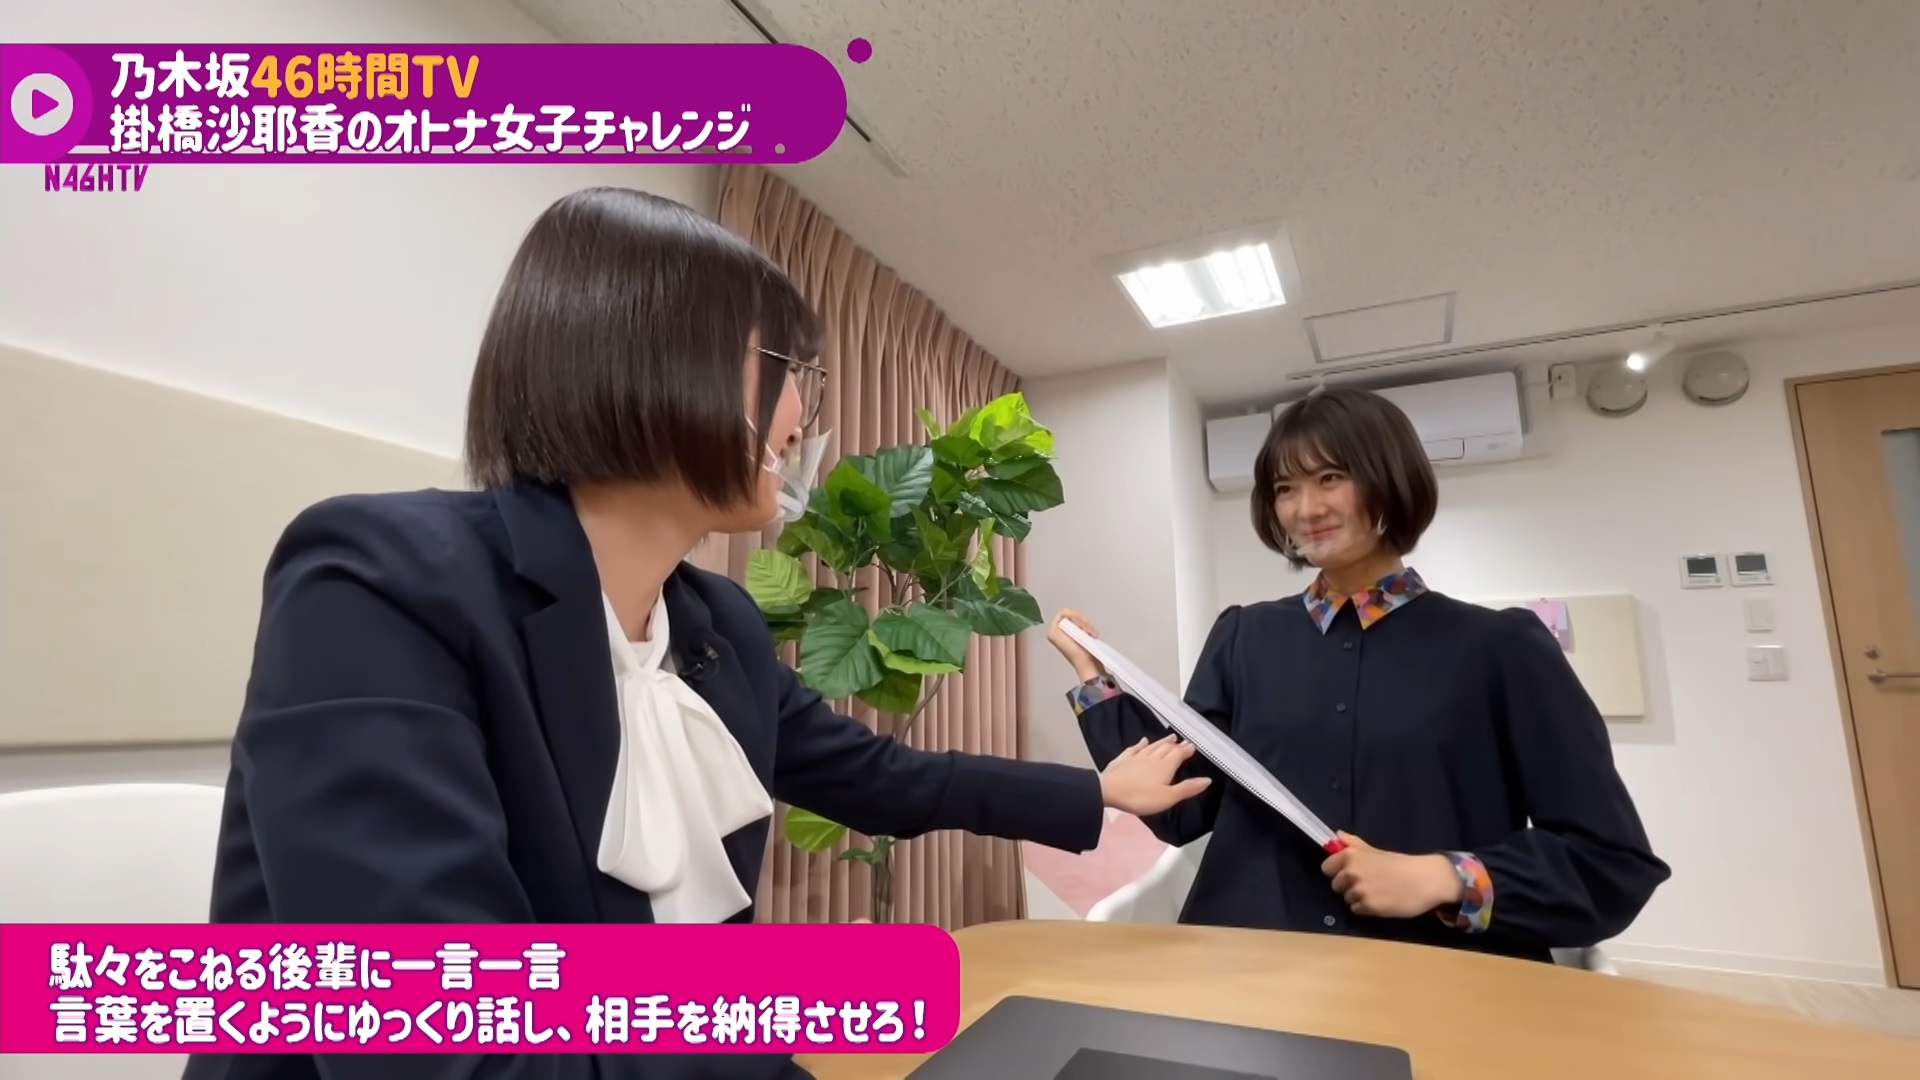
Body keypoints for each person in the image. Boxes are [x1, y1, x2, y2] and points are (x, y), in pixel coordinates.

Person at [186, 187, 1210, 1080]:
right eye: (788, 368)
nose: (802, 417)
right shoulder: (378, 581)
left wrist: (1096, 795)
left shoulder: (717, 625)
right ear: (648, 357)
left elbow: (879, 777)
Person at [1049, 386, 1669, 965]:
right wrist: (1095, 682)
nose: (1306, 508)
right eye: (1285, 488)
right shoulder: (1244, 636)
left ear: (1389, 478)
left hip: (1432, 977)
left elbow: (1609, 864)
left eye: (1331, 478)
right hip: (1246, 968)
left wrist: (1443, 877)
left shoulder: (1501, 647)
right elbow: (1182, 807)